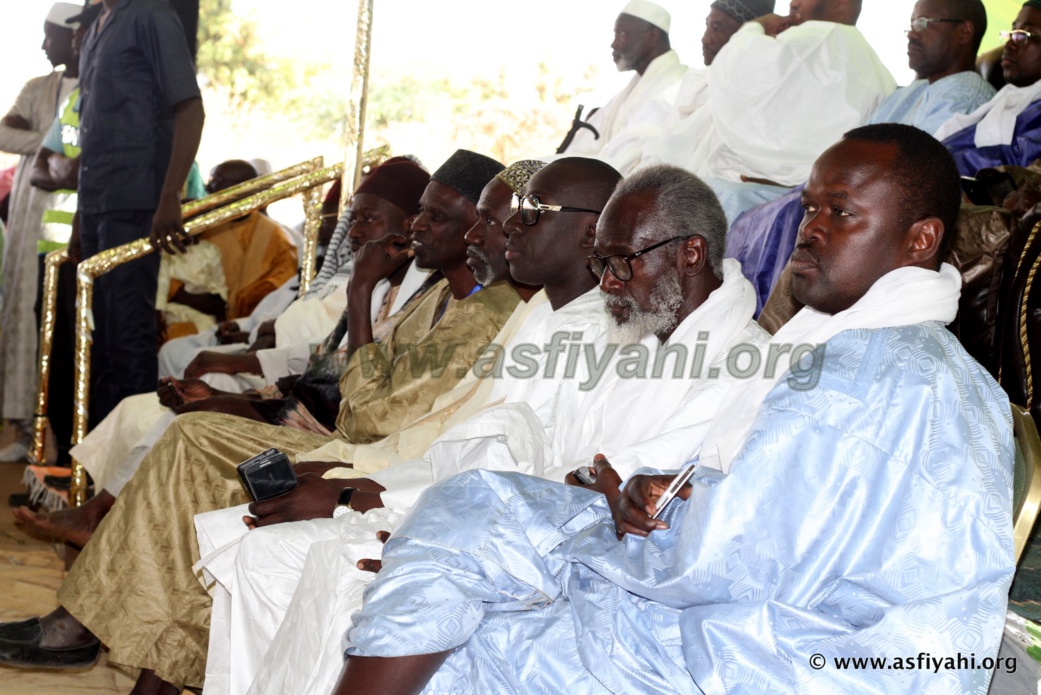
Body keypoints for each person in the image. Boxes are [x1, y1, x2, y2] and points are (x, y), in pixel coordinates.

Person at [330, 124, 1014, 695]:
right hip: (794, 620)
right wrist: (667, 494)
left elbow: (739, 563)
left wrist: (624, 522)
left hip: (807, 657)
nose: (808, 230)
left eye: (840, 212)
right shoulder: (893, 354)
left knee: (472, 609)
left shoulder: (868, 370)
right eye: (807, 209)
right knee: (469, 522)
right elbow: (787, 520)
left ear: (919, 240)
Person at [228, 164, 770, 695]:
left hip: (608, 575)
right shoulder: (635, 340)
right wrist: (434, 529)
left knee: (350, 576)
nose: (606, 283)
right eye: (603, 262)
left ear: (690, 254)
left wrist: (447, 539)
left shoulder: (743, 362)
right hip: (513, 529)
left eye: (622, 263)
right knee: (321, 564)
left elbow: (614, 498)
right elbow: (549, 461)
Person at [0, 149, 520, 694]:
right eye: (419, 212)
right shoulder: (439, 293)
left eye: (437, 217)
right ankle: (123, 657)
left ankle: (100, 641)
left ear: (480, 229)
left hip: (372, 468)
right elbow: (355, 394)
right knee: (191, 440)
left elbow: (367, 414)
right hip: (345, 442)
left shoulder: (487, 313)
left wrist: (360, 291)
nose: (417, 226)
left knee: (198, 450)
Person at [12, 156, 433, 546]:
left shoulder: (405, 292)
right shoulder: (377, 277)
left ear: (411, 224)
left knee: (190, 423)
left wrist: (357, 290)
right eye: (353, 218)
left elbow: (357, 391)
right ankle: (99, 515)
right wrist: (237, 388)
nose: (355, 230)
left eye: (369, 219)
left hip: (332, 435)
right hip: (295, 401)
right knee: (192, 404)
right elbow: (323, 360)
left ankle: (102, 519)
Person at [728, 0, 995, 313]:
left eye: (923, 23)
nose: (911, 35)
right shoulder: (908, 92)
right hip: (839, 193)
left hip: (862, 204)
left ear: (964, 31)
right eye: (910, 25)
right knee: (739, 194)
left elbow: (911, 174)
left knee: (769, 209)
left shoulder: (969, 94)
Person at [641, 0, 894, 223]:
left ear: (842, 3)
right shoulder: (880, 73)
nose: (793, 4)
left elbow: (736, 65)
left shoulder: (817, 37)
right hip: (802, 197)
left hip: (762, 194)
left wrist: (758, 25)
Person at [74, 0, 205, 421]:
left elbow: (190, 109)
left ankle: (130, 475)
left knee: (127, 336)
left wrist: (170, 195)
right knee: (102, 340)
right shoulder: (98, 23)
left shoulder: (151, 14)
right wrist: (82, 214)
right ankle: (100, 469)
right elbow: (94, 129)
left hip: (135, 201)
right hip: (99, 202)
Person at [0, 2, 81, 462]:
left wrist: (49, 145)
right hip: (31, 215)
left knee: (60, 320)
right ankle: (23, 427)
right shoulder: (38, 87)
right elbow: (4, 134)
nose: (42, 44)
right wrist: (52, 143)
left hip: (70, 222)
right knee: (23, 314)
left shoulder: (98, 87)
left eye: (48, 35)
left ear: (72, 37)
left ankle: (56, 436)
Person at [561, 0, 686, 165]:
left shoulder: (677, 83)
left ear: (652, 37)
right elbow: (587, 143)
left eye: (622, 34)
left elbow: (634, 152)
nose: (614, 44)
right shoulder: (630, 90)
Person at [936, 1, 1041, 175]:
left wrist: (930, 166)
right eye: (1012, 33)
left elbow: (1011, 165)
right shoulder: (1003, 102)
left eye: (1023, 35)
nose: (1009, 44)